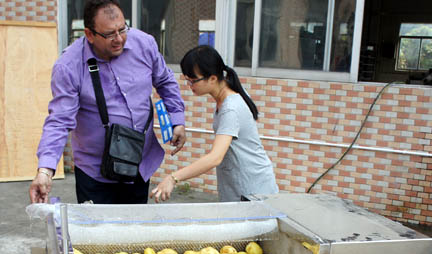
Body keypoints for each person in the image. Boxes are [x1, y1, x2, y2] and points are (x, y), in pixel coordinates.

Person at [29, 0, 186, 205]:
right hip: (96, 172)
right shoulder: (69, 66)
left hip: (139, 163)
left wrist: (178, 119)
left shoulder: (144, 44)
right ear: (89, 34)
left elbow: (165, 81)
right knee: (98, 234)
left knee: (133, 231)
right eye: (110, 34)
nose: (119, 39)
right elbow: (59, 121)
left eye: (122, 29)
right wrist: (45, 172)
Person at [151, 45, 278, 203]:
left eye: (193, 81)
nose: (190, 86)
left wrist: (173, 178)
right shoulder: (225, 98)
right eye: (187, 80)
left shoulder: (230, 108)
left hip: (254, 190)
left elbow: (215, 158)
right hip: (239, 187)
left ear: (212, 78)